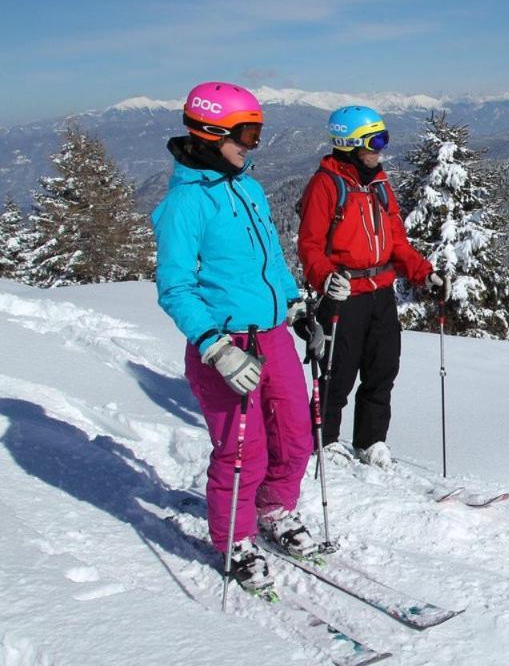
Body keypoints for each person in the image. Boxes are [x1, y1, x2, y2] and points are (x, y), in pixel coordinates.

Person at [152, 82, 318, 594]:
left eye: (258, 133)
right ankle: (235, 538)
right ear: (209, 133)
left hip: (271, 336)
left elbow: (269, 258)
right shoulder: (185, 205)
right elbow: (174, 287)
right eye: (246, 133)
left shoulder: (249, 187)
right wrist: (215, 347)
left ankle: (272, 508)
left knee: (296, 435)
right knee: (244, 450)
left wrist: (294, 306)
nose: (253, 144)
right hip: (225, 346)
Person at [297, 105, 439, 467]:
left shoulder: (380, 185)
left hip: (380, 295)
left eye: (383, 141)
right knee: (336, 374)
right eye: (374, 142)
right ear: (349, 143)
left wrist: (425, 274)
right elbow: (310, 246)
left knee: (382, 371)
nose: (380, 150)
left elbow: (397, 244)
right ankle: (324, 440)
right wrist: (327, 278)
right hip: (344, 296)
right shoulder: (326, 185)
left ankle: (370, 440)